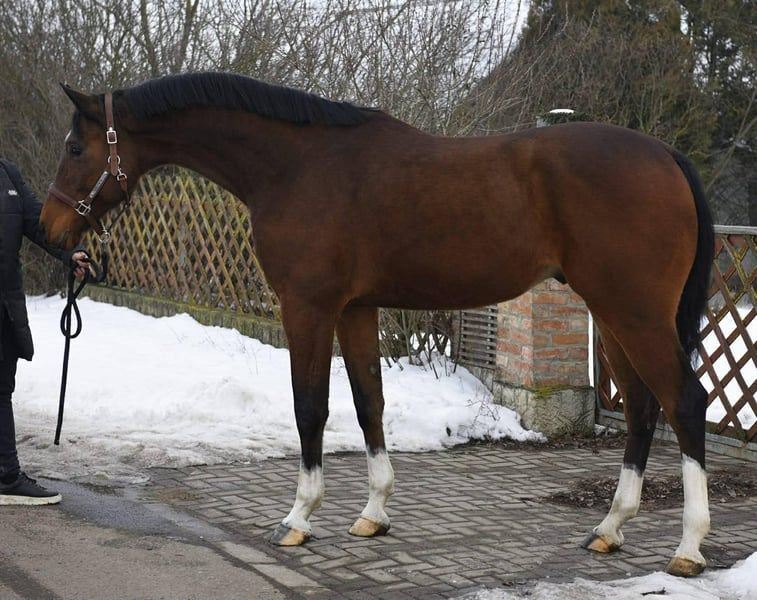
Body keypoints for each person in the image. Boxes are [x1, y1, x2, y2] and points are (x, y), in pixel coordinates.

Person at [0, 158, 89, 505]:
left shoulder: (8, 173)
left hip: (5, 305)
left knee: (2, 388)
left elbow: (40, 222)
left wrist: (72, 252)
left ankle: (6, 476)